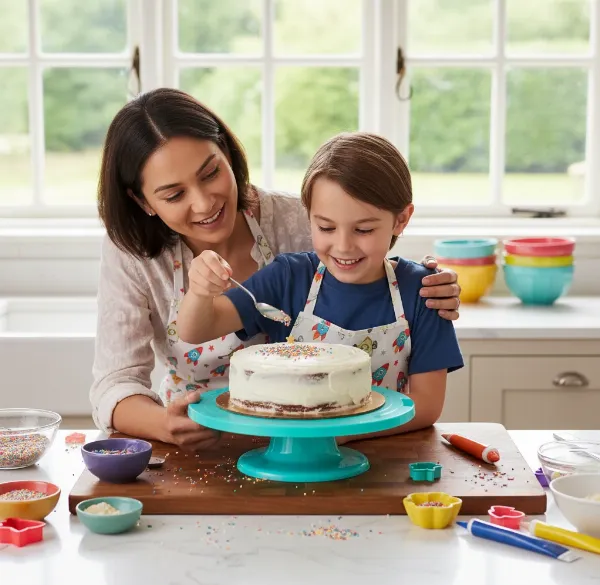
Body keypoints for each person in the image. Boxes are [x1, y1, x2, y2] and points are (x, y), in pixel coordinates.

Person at [92, 88, 462, 452]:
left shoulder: (296, 220)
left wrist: (427, 281)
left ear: (227, 153)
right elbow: (118, 381)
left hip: (312, 447)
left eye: (210, 174)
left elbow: (368, 248)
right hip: (196, 446)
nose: (204, 203)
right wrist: (165, 424)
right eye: (174, 195)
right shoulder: (131, 254)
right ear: (143, 201)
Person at [177, 131, 463, 439]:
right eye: (326, 227)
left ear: (400, 220)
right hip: (290, 457)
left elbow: (427, 405)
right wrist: (200, 291)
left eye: (363, 229)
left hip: (385, 458)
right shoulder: (288, 278)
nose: (343, 246)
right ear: (308, 216)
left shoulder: (424, 292)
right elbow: (196, 330)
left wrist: (338, 435)